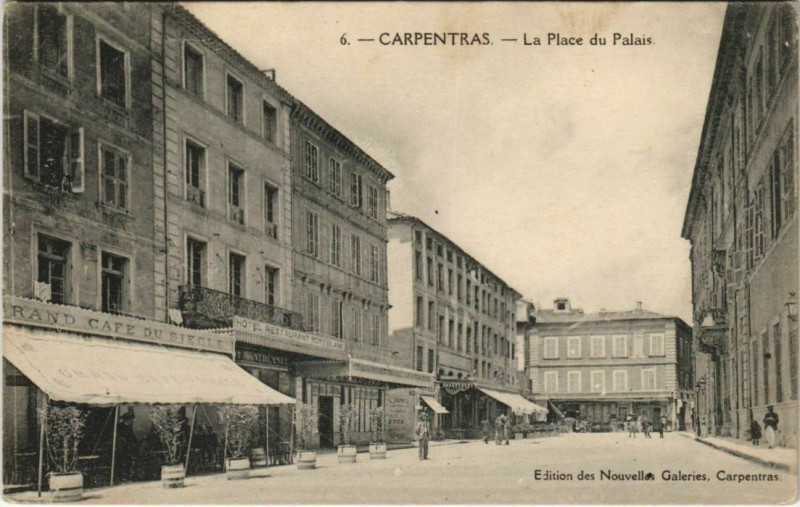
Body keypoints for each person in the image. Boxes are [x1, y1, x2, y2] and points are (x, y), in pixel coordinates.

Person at [115, 412, 137, 482]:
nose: (130, 421)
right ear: (125, 419)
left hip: (128, 448)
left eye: (130, 419)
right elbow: (120, 436)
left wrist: (135, 441)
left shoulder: (129, 426)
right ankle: (119, 477)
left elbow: (132, 435)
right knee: (120, 462)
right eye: (129, 419)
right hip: (121, 447)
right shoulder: (119, 426)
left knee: (128, 462)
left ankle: (127, 476)